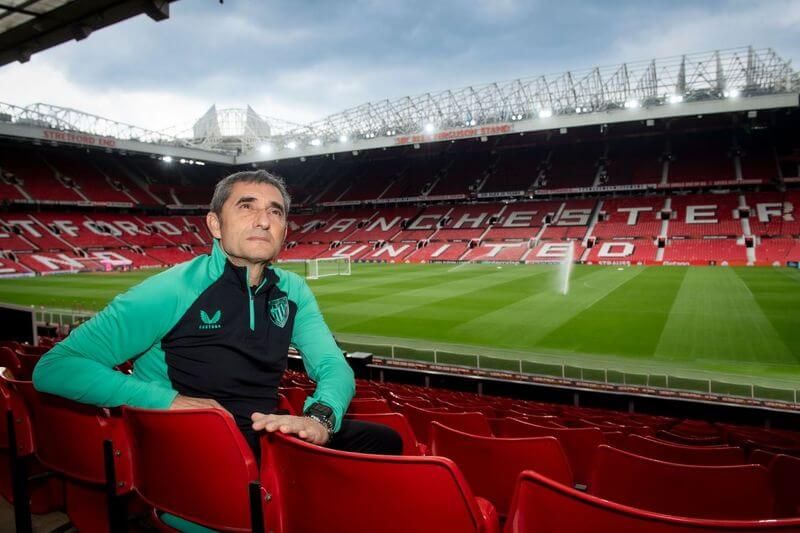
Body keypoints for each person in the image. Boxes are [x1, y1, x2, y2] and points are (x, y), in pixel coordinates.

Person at [33, 170, 401, 457]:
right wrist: (169, 402)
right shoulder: (172, 289)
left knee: (384, 441)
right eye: (247, 206)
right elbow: (56, 367)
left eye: (275, 211)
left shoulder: (293, 291)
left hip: (260, 430)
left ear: (285, 229)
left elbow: (333, 366)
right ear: (214, 224)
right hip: (191, 442)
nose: (263, 220)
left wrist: (320, 418)